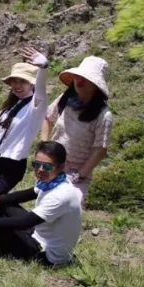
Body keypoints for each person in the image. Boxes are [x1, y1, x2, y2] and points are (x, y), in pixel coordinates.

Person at [0, 141, 83, 265]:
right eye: (37, 165)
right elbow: (24, 195)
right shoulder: (55, 180)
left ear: (61, 167)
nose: (40, 170)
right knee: (3, 206)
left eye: (47, 167)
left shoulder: (60, 195)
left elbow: (24, 223)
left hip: (46, 256)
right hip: (39, 236)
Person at [43, 56, 113, 206]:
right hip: (52, 164)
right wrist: (44, 147)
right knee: (44, 207)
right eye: (78, 77)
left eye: (85, 79)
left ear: (95, 85)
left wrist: (79, 175)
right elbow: (49, 118)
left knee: (66, 211)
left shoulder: (103, 115)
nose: (79, 82)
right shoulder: (65, 99)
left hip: (76, 175)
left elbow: (100, 149)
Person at [0, 48, 49, 196]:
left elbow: (41, 90)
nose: (17, 85)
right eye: (14, 81)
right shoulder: (12, 103)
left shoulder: (35, 105)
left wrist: (43, 68)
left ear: (31, 83)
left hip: (12, 165)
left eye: (23, 81)